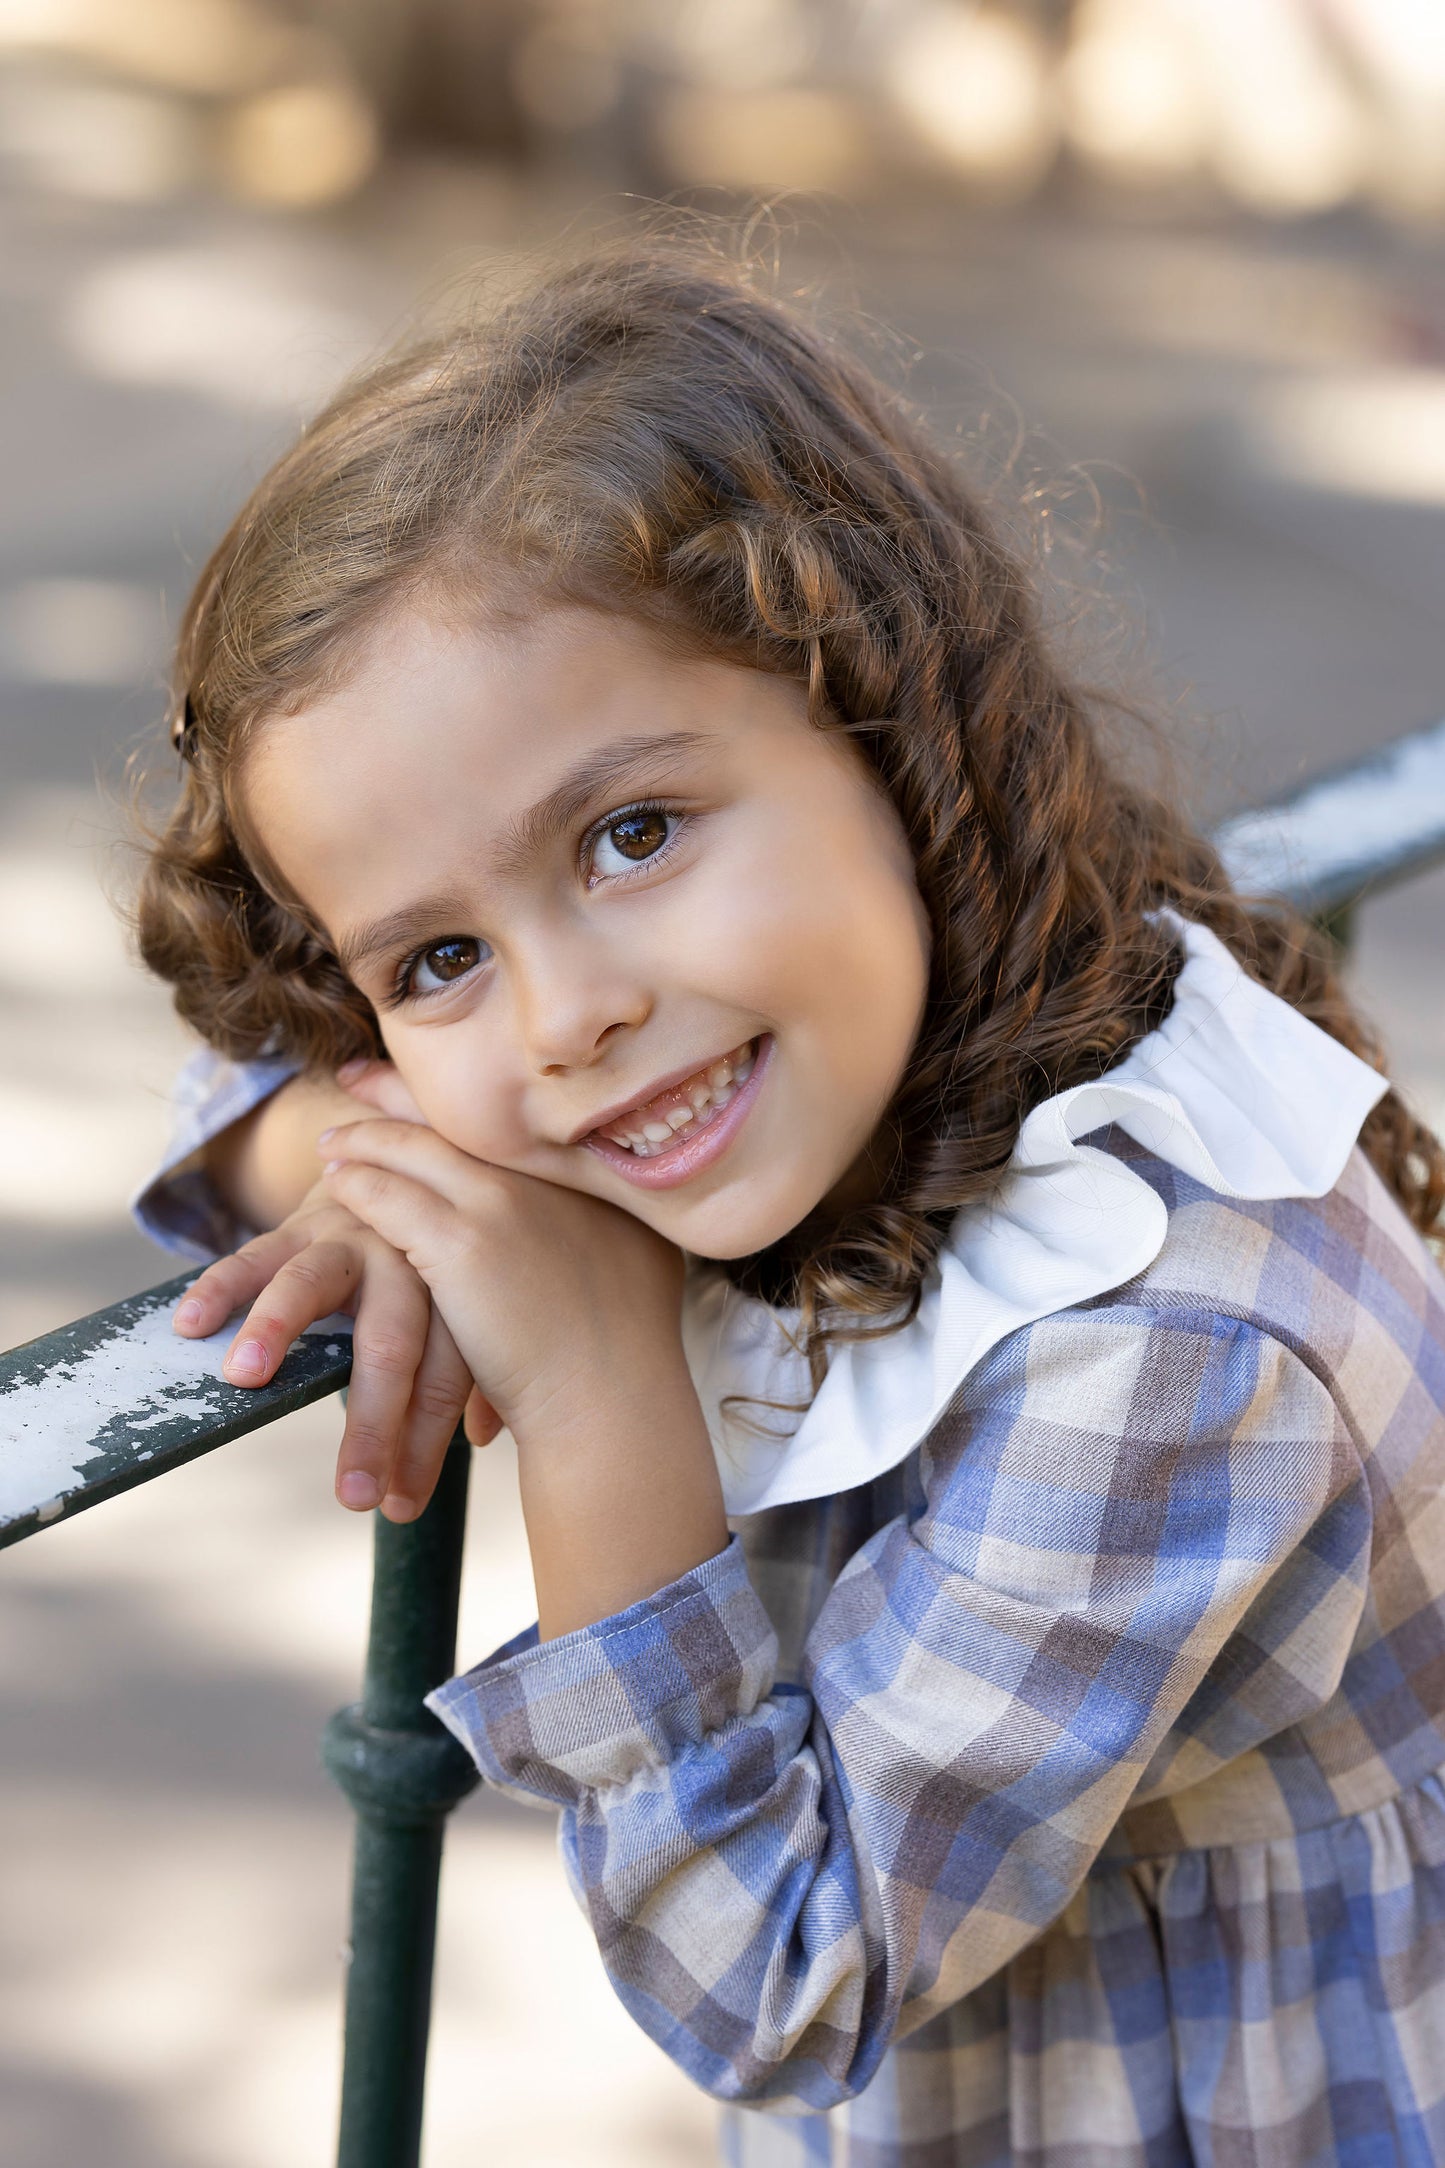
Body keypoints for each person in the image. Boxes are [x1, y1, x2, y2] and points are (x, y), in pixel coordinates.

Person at [131, 241, 1445, 2165]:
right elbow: (244, 1063)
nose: (566, 1020)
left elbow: (780, 1977)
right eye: (436, 961)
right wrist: (385, 1172)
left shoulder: (1167, 1348)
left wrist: (592, 1391)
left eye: (630, 835)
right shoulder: (922, 1006)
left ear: (890, 732)